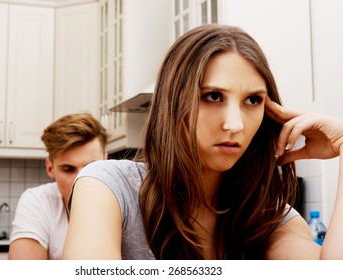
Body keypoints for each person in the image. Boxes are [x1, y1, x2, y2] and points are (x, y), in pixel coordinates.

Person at [62, 24, 343, 259]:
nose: (234, 124)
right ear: (172, 103)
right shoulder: (108, 187)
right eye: (212, 96)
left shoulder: (271, 220)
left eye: (253, 100)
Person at [8, 113, 108, 260]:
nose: (80, 181)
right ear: (50, 168)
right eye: (68, 169)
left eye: (92, 167)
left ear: (107, 162)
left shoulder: (127, 202)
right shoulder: (38, 201)